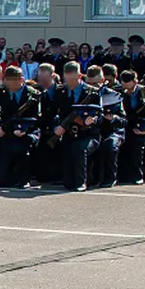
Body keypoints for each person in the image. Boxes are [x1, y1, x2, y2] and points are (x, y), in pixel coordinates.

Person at [49, 61, 102, 192]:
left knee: (79, 149)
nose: (69, 83)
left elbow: (100, 115)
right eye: (66, 79)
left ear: (79, 76)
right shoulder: (60, 91)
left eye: (71, 79)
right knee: (68, 182)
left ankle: (81, 182)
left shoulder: (92, 92)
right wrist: (56, 126)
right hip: (68, 134)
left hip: (88, 134)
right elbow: (51, 113)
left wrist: (93, 120)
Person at [0, 66, 41, 188]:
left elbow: (37, 117)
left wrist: (25, 130)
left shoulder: (33, 95)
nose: (11, 85)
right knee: (3, 182)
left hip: (27, 132)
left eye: (15, 81)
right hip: (7, 132)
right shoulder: (1, 93)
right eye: (9, 81)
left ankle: (25, 178)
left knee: (22, 149)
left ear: (22, 80)